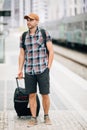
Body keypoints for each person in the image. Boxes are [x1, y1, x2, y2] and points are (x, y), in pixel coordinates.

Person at [18, 13, 54, 126]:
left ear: (37, 21)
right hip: (29, 71)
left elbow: (51, 51)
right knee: (31, 95)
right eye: (27, 20)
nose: (28, 22)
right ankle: (33, 118)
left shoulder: (44, 33)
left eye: (31, 20)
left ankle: (46, 116)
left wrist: (48, 67)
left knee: (45, 94)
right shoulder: (24, 36)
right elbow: (22, 54)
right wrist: (19, 69)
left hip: (42, 69)